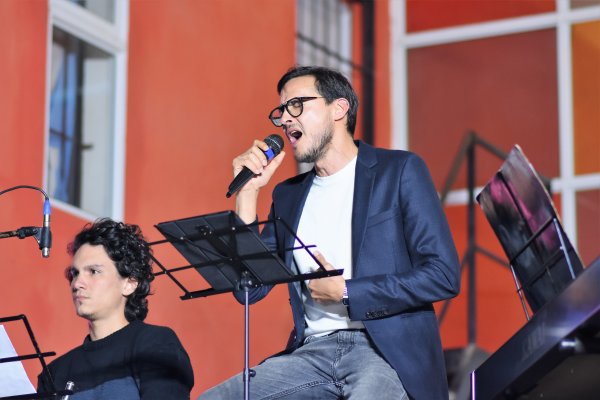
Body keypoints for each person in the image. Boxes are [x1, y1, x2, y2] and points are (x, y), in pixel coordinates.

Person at [200, 65, 460, 400]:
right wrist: (248, 194)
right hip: (311, 353)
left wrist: (347, 291)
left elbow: (443, 275)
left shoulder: (399, 171)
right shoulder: (288, 195)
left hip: (382, 351)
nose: (286, 120)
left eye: (297, 105)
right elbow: (248, 289)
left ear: (339, 108)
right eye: (281, 112)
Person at [37, 218, 194, 399]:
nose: (77, 283)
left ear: (129, 284)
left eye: (94, 272)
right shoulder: (55, 372)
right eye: (75, 273)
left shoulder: (155, 344)